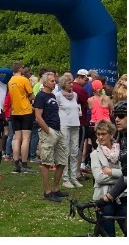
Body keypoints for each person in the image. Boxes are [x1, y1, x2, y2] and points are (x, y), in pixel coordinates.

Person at [34, 71, 69, 202]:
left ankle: (55, 188)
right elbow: (38, 117)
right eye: (52, 81)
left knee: (62, 160)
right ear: (44, 82)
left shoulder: (53, 95)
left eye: (54, 80)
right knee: (46, 162)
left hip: (58, 130)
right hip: (49, 131)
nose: (54, 82)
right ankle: (47, 191)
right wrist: (48, 131)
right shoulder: (41, 96)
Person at [90, 119, 125, 236]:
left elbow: (128, 173)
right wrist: (122, 176)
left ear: (111, 134)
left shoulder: (121, 150)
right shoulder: (95, 154)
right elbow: (99, 178)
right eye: (98, 134)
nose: (100, 137)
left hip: (123, 195)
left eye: (103, 134)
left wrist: (111, 172)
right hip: (103, 198)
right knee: (109, 235)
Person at [8, 62, 36, 173]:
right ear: (20, 69)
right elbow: (31, 95)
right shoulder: (24, 80)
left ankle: (16, 163)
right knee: (26, 138)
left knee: (16, 138)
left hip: (15, 112)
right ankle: (24, 163)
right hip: (25, 111)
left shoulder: (10, 81)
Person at [55, 73, 82, 188]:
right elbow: (55, 111)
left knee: (75, 151)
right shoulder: (58, 95)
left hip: (75, 124)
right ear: (63, 84)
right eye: (69, 82)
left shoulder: (75, 95)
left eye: (72, 82)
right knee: (65, 151)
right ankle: (65, 178)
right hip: (64, 125)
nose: (71, 84)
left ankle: (74, 177)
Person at [73, 69, 91, 180]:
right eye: (85, 80)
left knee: (72, 147)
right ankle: (77, 173)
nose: (86, 82)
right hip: (80, 121)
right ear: (79, 77)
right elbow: (89, 105)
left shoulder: (69, 87)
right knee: (78, 147)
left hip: (69, 122)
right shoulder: (80, 90)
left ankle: (73, 171)